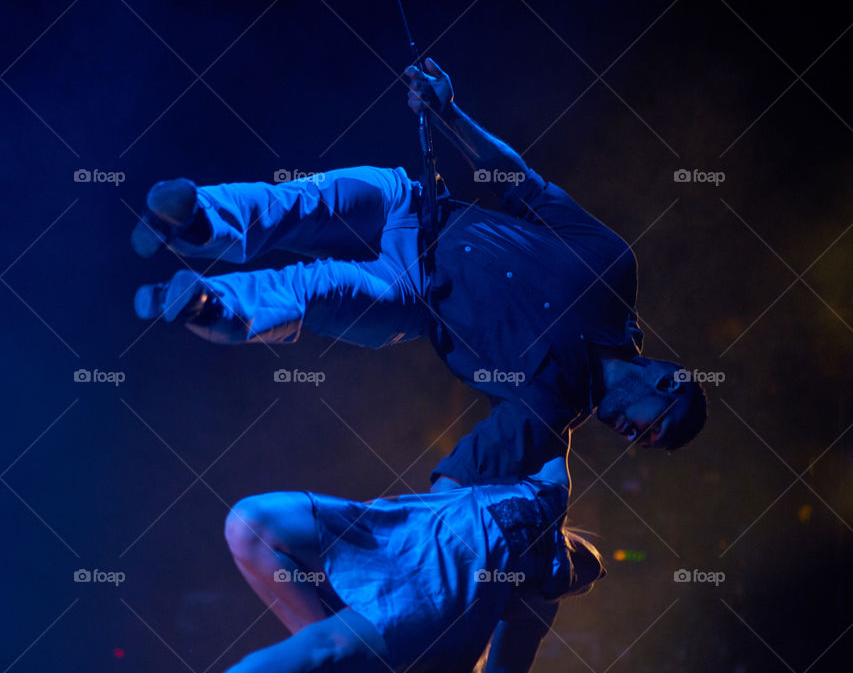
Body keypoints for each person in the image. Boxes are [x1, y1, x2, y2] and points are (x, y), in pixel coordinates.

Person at [131, 59, 706, 491]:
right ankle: (196, 221)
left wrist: (423, 539)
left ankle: (212, 307)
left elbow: (461, 478)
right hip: (415, 206)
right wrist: (449, 114)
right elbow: (518, 181)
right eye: (653, 428)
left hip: (409, 297)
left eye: (646, 443)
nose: (635, 439)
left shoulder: (551, 410)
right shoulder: (610, 265)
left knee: (315, 289)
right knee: (299, 203)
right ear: (665, 381)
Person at [137, 457, 646, 673]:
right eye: (584, 562)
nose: (582, 575)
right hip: (393, 537)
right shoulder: (548, 492)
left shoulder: (537, 603)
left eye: (577, 583)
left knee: (321, 652)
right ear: (571, 535)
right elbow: (559, 417)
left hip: (426, 600)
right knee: (248, 521)